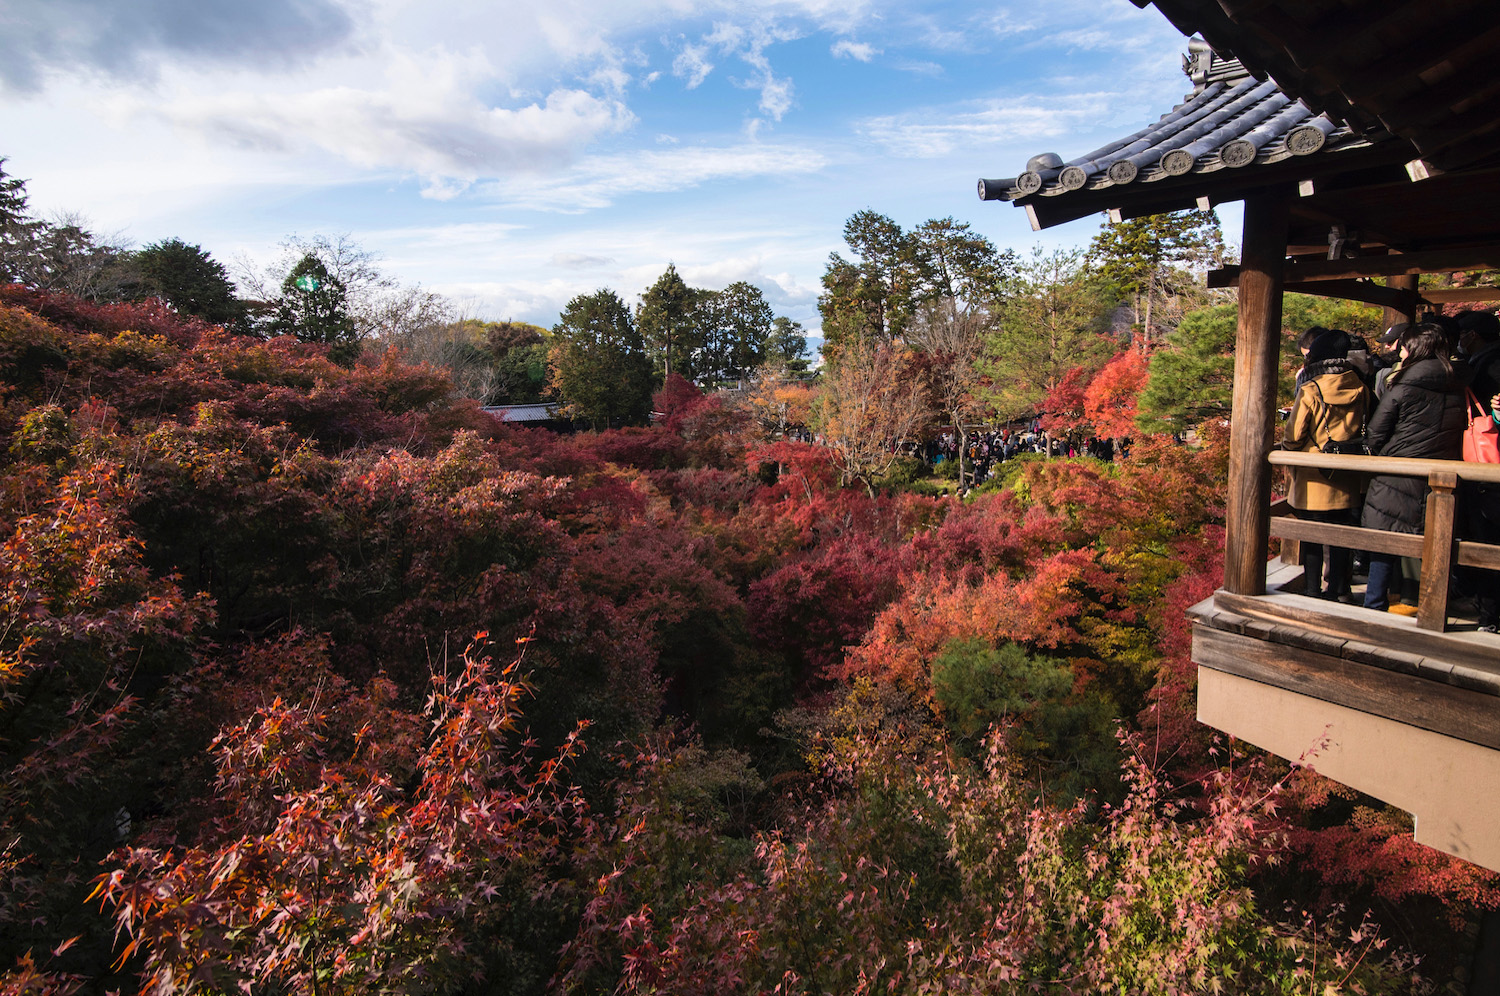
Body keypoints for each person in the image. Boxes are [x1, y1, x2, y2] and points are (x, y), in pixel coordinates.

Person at [1361, 324, 1468, 613]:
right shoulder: (1459, 383)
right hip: (1442, 475)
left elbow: (1375, 433)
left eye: (1404, 347)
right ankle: (1431, 608)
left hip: (1397, 472)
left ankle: (1374, 605)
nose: (1400, 352)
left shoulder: (1405, 384)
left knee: (1385, 539)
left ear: (1416, 350)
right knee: (1434, 543)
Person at [1283, 328, 1371, 599]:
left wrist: (1288, 450)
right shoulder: (1361, 387)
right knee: (1342, 537)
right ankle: (1340, 589)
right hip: (1346, 472)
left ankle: (1312, 590)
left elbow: (1294, 435)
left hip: (1313, 474)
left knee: (1311, 536)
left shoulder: (1311, 389)